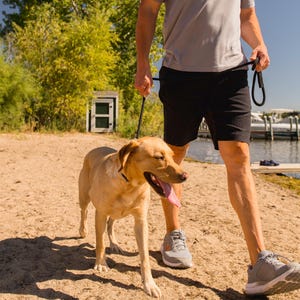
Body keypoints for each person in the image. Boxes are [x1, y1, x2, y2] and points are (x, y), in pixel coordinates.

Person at [134, 0, 300, 296]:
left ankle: (260, 262)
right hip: (181, 72)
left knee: (239, 155)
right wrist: (143, 62)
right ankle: (173, 234)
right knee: (175, 155)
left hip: (231, 73)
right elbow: (148, 10)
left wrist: (259, 44)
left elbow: (246, 14)